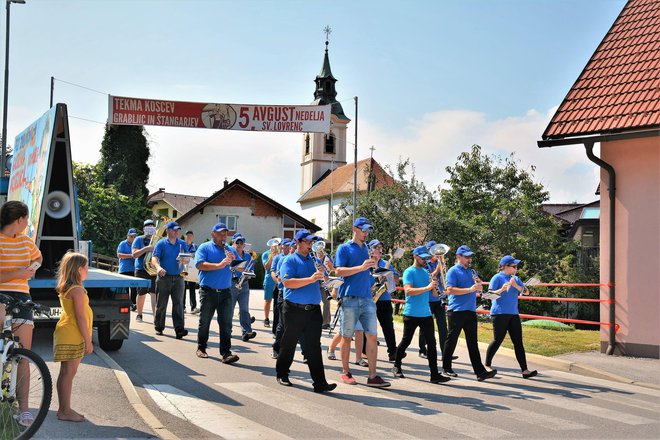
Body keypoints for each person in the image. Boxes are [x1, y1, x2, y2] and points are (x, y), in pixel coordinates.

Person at [275, 229, 336, 393]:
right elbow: (287, 283)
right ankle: (282, 373)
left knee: (314, 346)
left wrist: (325, 277)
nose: (311, 245)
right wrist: (311, 279)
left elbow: (324, 281)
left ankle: (320, 382)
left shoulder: (314, 260)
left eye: (312, 242)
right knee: (289, 343)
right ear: (298, 242)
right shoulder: (290, 260)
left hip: (313, 310)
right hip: (294, 309)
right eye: (308, 242)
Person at [334, 217, 390, 388]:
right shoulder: (344, 248)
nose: (366, 233)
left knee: (372, 336)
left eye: (367, 230)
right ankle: (346, 372)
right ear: (354, 229)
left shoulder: (367, 249)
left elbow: (367, 272)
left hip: (367, 298)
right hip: (349, 297)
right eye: (363, 230)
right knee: (346, 336)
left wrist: (376, 270)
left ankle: (372, 376)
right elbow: (338, 271)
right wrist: (361, 267)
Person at [0, 201, 42, 427]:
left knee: (24, 355)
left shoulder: (26, 240)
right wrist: (18, 273)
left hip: (22, 297)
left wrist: (31, 270)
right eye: (26, 219)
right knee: (1, 352)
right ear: (19, 220)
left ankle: (24, 409)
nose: (28, 223)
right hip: (0, 295)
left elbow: (39, 258)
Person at [392, 246, 451, 384]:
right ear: (415, 257)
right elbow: (408, 291)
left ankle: (434, 374)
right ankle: (397, 365)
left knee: (432, 344)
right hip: (411, 313)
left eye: (426, 258)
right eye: (422, 258)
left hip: (426, 313)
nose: (425, 260)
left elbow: (434, 294)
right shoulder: (409, 272)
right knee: (406, 341)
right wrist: (427, 287)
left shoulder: (426, 272)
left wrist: (436, 287)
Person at [442, 245, 497, 381]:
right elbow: (450, 290)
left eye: (470, 256)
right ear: (458, 257)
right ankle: (446, 368)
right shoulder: (453, 271)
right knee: (452, 340)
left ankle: (480, 372)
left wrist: (479, 286)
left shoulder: (472, 271)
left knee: (473, 343)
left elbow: (477, 289)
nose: (469, 259)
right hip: (456, 311)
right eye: (466, 257)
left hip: (470, 311)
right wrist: (470, 289)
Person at [53, 251, 93, 422]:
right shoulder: (76, 290)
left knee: (65, 373)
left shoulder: (70, 287)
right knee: (69, 373)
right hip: (73, 334)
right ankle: (65, 411)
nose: (88, 271)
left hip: (66, 332)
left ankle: (64, 408)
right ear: (78, 270)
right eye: (86, 267)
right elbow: (80, 317)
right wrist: (88, 341)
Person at [485, 255, 538, 379]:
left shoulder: (516, 278)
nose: (516, 268)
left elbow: (526, 292)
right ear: (506, 267)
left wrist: (516, 286)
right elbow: (489, 295)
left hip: (513, 313)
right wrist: (502, 289)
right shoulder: (496, 278)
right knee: (498, 340)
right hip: (499, 313)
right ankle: (487, 365)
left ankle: (525, 370)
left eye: (516, 266)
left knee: (518, 342)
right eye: (514, 266)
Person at [195, 223, 240, 363]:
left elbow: (240, 268)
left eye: (225, 234)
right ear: (213, 234)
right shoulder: (205, 247)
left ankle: (226, 353)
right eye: (220, 234)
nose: (223, 236)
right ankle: (201, 348)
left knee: (226, 324)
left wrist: (234, 262)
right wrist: (219, 265)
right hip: (208, 291)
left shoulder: (230, 249)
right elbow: (199, 265)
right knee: (205, 322)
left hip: (226, 291)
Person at [418, 240, 457, 362]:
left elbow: (443, 279)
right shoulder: (425, 264)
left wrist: (443, 270)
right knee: (425, 325)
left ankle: (445, 352)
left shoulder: (440, 262)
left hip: (439, 298)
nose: (438, 254)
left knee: (442, 326)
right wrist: (438, 269)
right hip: (428, 298)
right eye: (435, 252)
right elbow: (429, 278)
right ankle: (422, 350)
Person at [151, 221, 188, 338]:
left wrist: (184, 260)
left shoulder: (182, 244)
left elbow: (187, 260)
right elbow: (154, 258)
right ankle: (159, 327)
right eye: (174, 230)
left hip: (179, 277)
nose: (177, 232)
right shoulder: (161, 244)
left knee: (178, 305)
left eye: (178, 230)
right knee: (161, 304)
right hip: (164, 277)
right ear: (167, 231)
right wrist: (158, 267)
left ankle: (179, 329)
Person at [368, 239, 400, 362]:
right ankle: (364, 351)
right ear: (370, 250)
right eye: (376, 247)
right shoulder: (366, 263)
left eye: (380, 248)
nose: (378, 250)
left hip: (384, 298)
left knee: (388, 326)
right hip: (369, 298)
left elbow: (396, 280)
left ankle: (393, 352)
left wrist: (391, 274)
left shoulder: (386, 263)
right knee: (368, 326)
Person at [230, 232, 256, 341]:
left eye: (241, 242)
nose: (239, 244)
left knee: (244, 309)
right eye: (237, 242)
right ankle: (227, 329)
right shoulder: (230, 254)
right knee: (229, 308)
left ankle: (246, 332)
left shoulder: (248, 256)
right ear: (233, 244)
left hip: (244, 283)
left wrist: (249, 273)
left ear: (244, 245)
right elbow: (230, 267)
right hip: (232, 283)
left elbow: (251, 270)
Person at [132, 219, 157, 322]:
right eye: (148, 227)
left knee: (154, 293)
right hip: (141, 269)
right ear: (144, 229)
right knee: (141, 293)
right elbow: (134, 254)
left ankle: (156, 317)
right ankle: (139, 314)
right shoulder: (138, 239)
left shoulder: (158, 240)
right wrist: (146, 248)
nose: (150, 229)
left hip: (153, 269)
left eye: (152, 226)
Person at [271, 238, 292, 358]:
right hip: (282, 291)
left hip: (295, 294)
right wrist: (279, 283)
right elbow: (275, 274)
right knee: (282, 322)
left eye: (290, 246)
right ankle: (277, 348)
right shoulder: (280, 258)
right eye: (287, 246)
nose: (288, 248)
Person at [116, 228, 137, 311]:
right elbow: (119, 255)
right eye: (131, 236)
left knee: (134, 289)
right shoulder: (122, 243)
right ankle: (125, 304)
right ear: (128, 236)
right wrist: (131, 256)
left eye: (135, 236)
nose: (133, 238)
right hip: (124, 270)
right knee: (125, 289)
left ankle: (133, 304)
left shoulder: (137, 244)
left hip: (133, 269)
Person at [261, 238, 279, 327]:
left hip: (279, 279)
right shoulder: (265, 254)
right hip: (269, 279)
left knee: (279, 301)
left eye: (277, 244)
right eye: (274, 245)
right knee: (268, 300)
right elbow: (266, 267)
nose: (276, 246)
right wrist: (272, 257)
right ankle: (266, 318)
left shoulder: (281, 254)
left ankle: (278, 320)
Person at [183, 230, 199, 314]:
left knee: (192, 289)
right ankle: (182, 307)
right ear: (185, 237)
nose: (189, 237)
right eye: (187, 235)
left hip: (192, 271)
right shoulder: (181, 245)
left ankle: (193, 307)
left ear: (193, 237)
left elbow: (198, 256)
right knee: (183, 289)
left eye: (190, 236)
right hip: (183, 269)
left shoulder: (195, 246)